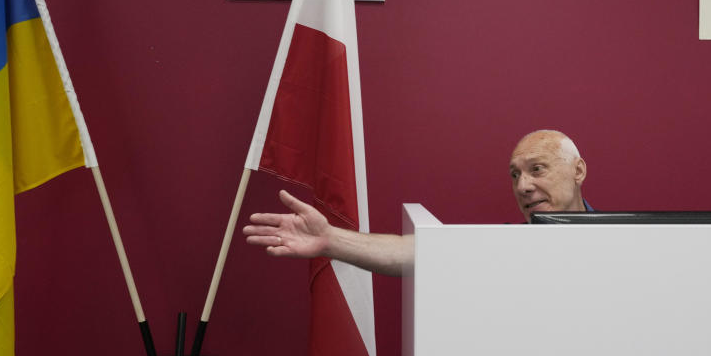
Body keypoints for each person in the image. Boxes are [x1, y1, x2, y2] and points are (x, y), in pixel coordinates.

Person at [242, 129, 589, 275]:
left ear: (578, 171)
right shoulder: (504, 246)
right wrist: (330, 239)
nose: (524, 186)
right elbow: (416, 252)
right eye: (515, 175)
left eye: (537, 170)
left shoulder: (636, 244)